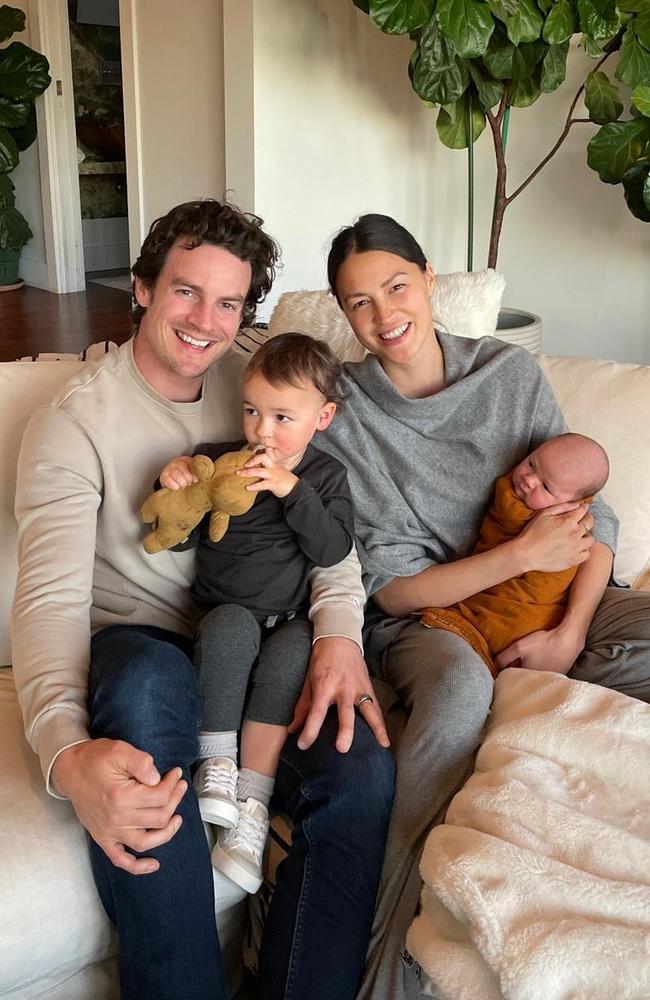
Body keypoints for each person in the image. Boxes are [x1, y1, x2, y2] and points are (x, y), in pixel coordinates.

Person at [11, 200, 395, 1000]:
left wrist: (339, 638)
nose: (206, 321)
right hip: (145, 643)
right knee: (151, 692)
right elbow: (46, 602)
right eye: (186, 292)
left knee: (359, 759)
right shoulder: (73, 423)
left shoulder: (259, 385)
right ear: (143, 288)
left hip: (267, 639)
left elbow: (325, 526)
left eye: (228, 303)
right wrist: (63, 755)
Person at [316, 212, 650, 1000]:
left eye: (397, 286)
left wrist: (569, 634)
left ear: (430, 280)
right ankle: (383, 954)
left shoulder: (507, 374)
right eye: (358, 302)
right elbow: (391, 587)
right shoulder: (347, 415)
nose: (384, 314)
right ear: (343, 314)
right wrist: (517, 557)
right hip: (429, 622)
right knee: (464, 689)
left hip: (548, 601)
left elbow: (590, 519)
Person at [154, 332, 354, 894]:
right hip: (225, 610)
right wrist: (174, 485)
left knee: (295, 652)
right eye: (251, 411)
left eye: (282, 417)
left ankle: (253, 805)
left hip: (289, 616)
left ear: (323, 417)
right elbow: (177, 539)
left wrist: (293, 491)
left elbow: (333, 551)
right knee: (230, 630)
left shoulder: (326, 478)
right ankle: (214, 767)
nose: (262, 431)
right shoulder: (221, 462)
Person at [419, 432, 610, 673]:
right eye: (531, 463)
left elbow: (603, 519)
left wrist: (573, 631)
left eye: (546, 487)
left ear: (577, 503)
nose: (529, 479)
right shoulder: (558, 466)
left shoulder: (569, 510)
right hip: (489, 590)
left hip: (552, 603)